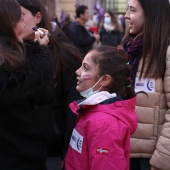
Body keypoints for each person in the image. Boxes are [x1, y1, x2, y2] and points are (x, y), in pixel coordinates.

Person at [16, 0, 83, 169]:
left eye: (20, 16)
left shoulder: (65, 56)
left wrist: (68, 151)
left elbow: (74, 109)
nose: (16, 22)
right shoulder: (11, 54)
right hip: (17, 150)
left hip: (52, 152)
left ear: (38, 17)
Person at [0, 0, 55, 169]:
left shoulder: (17, 53)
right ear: (9, 23)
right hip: (19, 155)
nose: (24, 25)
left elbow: (43, 96)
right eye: (20, 19)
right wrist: (41, 52)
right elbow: (22, 85)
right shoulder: (9, 60)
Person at [64, 46, 138, 170]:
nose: (78, 71)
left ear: (104, 80)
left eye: (86, 68)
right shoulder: (93, 111)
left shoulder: (104, 125)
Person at [121, 0, 170, 169]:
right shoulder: (128, 48)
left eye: (132, 10)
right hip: (124, 150)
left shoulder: (167, 52)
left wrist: (162, 160)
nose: (126, 15)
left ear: (151, 14)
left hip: (151, 159)